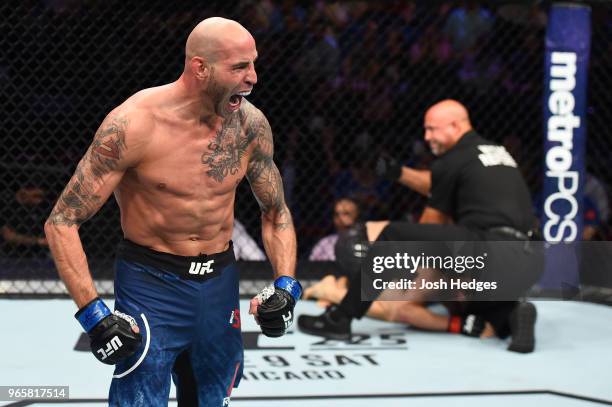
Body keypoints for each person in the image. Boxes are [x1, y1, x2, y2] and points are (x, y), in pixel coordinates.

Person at [44, 17, 302, 406]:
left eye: (253, 64)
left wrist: (286, 285)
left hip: (219, 283)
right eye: (239, 67)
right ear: (200, 67)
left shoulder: (250, 125)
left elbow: (276, 212)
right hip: (152, 285)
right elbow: (62, 221)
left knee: (211, 397)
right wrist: (93, 315)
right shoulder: (133, 125)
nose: (252, 78)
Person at [298, 99, 541, 353]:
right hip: (531, 258)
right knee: (481, 308)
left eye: (432, 129)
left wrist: (403, 271)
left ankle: (339, 319)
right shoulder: (496, 152)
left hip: (488, 250)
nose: (427, 137)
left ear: (455, 126)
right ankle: (514, 313)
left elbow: (432, 223)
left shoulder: (453, 159)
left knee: (394, 236)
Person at [1, 184, 49, 258]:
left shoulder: (40, 209)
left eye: (41, 197)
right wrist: (39, 241)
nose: (39, 200)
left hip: (36, 255)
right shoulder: (7, 209)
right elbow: (9, 236)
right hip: (11, 256)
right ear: (24, 193)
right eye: (36, 196)